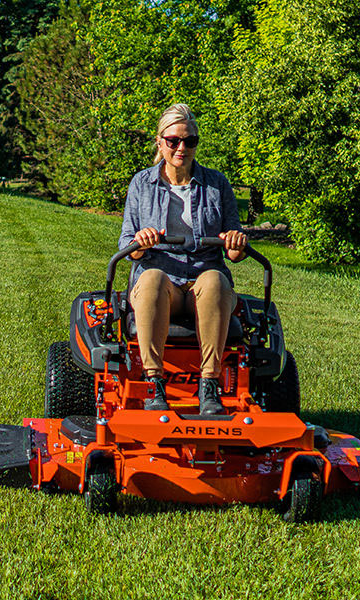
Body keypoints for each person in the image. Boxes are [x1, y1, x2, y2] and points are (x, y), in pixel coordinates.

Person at [119, 103, 248, 415]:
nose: (181, 148)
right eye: (174, 141)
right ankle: (154, 382)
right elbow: (127, 244)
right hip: (161, 279)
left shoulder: (217, 184)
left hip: (203, 279)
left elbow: (234, 251)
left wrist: (235, 242)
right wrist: (141, 243)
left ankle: (209, 385)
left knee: (216, 280)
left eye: (190, 141)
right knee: (149, 279)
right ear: (160, 141)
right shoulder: (141, 184)